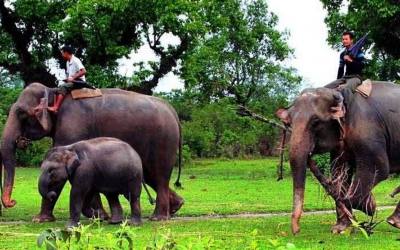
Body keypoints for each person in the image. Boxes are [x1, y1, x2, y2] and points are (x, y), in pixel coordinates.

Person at [48, 46, 87, 112]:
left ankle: (56, 107)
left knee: (63, 87)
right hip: (73, 81)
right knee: (59, 87)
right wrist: (67, 79)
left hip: (79, 82)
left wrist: (73, 78)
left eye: (62, 53)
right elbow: (70, 76)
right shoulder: (68, 62)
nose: (62, 54)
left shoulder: (75, 60)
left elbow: (84, 71)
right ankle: (56, 107)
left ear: (66, 53)